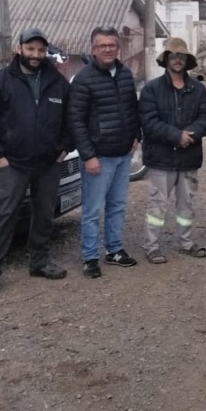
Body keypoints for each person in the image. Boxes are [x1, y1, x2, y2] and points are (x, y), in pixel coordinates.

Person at [0, 28, 72, 298]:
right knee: (3, 216)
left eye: (41, 50)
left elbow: (71, 119)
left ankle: (39, 262)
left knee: (44, 215)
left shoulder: (58, 82)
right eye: (31, 49)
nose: (36, 55)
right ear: (20, 49)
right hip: (12, 164)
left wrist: (64, 148)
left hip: (47, 164)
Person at [68, 25, 141, 278]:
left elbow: (133, 108)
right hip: (98, 157)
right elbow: (75, 121)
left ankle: (114, 250)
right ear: (93, 49)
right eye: (102, 45)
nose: (108, 49)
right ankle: (90, 257)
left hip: (123, 154)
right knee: (91, 210)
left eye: (112, 45)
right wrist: (88, 155)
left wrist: (136, 136)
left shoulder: (124, 74)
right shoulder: (84, 79)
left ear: (118, 47)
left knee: (117, 205)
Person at [138, 38, 206, 264]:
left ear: (187, 61)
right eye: (173, 56)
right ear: (166, 59)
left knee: (186, 205)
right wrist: (176, 136)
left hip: (188, 157)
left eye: (181, 56)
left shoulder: (198, 89)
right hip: (161, 159)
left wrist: (190, 135)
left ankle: (186, 242)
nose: (177, 60)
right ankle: (151, 246)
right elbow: (149, 122)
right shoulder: (151, 89)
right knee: (157, 206)